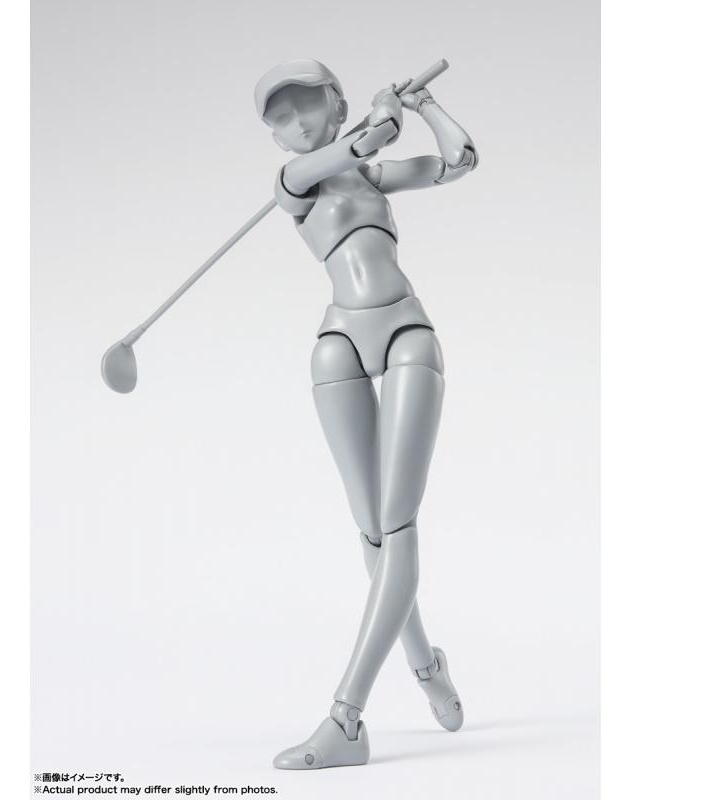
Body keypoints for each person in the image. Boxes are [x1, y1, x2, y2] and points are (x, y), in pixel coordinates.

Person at [254, 59, 479, 770]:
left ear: (334, 101)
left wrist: (426, 104)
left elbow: (460, 161)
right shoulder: (293, 183)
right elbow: (360, 141)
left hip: (406, 330)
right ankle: (426, 664)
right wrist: (382, 115)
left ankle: (346, 718)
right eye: (280, 116)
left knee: (398, 522)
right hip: (338, 344)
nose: (297, 122)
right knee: (375, 533)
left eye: (308, 104)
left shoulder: (373, 178)